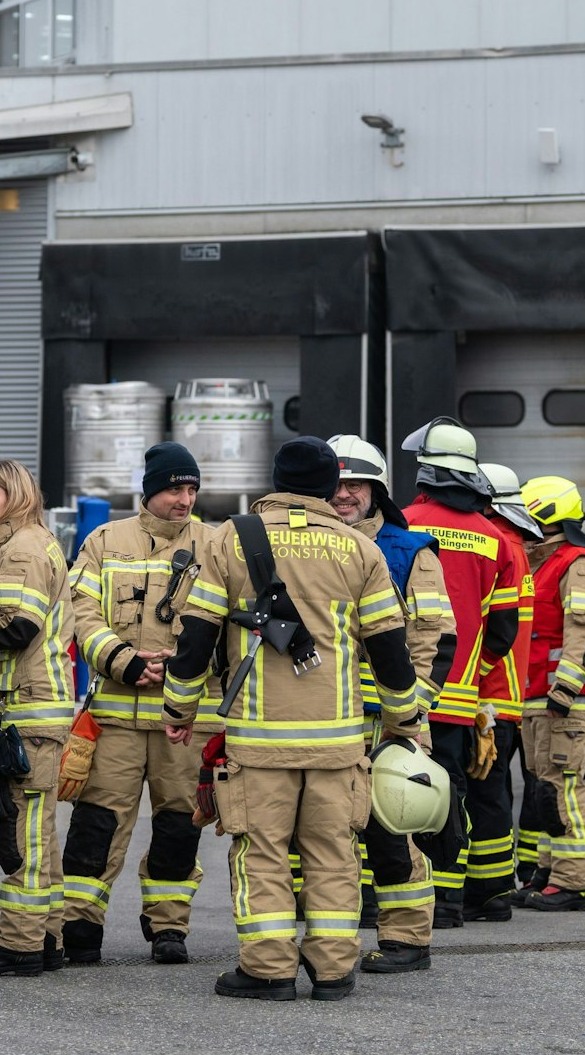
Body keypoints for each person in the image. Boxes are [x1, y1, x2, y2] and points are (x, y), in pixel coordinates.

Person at [162, 436, 419, 1001]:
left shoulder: (232, 540)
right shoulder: (359, 550)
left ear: (273, 481)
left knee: (262, 854)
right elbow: (390, 650)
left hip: (259, 743)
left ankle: (269, 970)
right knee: (334, 855)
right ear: (331, 488)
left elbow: (197, 636)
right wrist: (404, 722)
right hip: (339, 745)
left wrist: (179, 709)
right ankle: (332, 972)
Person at [57, 442, 220, 966]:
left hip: (185, 720)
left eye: (192, 489)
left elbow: (230, 623)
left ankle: (169, 927)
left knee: (178, 824)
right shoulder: (105, 540)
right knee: (96, 824)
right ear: (151, 490)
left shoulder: (216, 544)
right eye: (175, 487)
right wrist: (124, 660)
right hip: (117, 717)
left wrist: (182, 668)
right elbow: (80, 613)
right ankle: (79, 926)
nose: (185, 499)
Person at [324, 434, 455, 975]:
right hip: (320, 719)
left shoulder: (408, 551)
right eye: (335, 484)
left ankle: (406, 939)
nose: (344, 494)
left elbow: (436, 638)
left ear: (376, 489)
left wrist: (411, 714)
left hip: (383, 719)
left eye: (355, 483)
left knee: (389, 828)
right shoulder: (305, 546)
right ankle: (326, 938)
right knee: (324, 829)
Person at [399, 418, 523, 928]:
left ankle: (402, 896)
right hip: (458, 701)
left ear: (426, 472)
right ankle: (449, 902)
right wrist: (470, 674)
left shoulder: (399, 525)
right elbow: (502, 632)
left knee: (392, 792)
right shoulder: (497, 540)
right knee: (451, 794)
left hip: (397, 693)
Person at [0, 459, 76, 977]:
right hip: (24, 708)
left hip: (25, 709)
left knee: (22, 833)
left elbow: (15, 628)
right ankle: (46, 939)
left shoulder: (23, 547)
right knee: (40, 834)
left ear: (16, 496)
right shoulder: (11, 544)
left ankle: (19, 945)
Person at [518, 475, 585, 913]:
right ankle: (548, 873)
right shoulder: (539, 563)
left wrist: (564, 691)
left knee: (563, 789)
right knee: (543, 792)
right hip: (537, 697)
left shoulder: (577, 564)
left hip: (560, 701)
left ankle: (574, 885)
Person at [461, 463, 540, 921]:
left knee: (483, 798)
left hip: (486, 696)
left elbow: (493, 630)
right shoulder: (517, 546)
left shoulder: (498, 546)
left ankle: (488, 893)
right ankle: (496, 888)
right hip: (506, 698)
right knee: (495, 798)